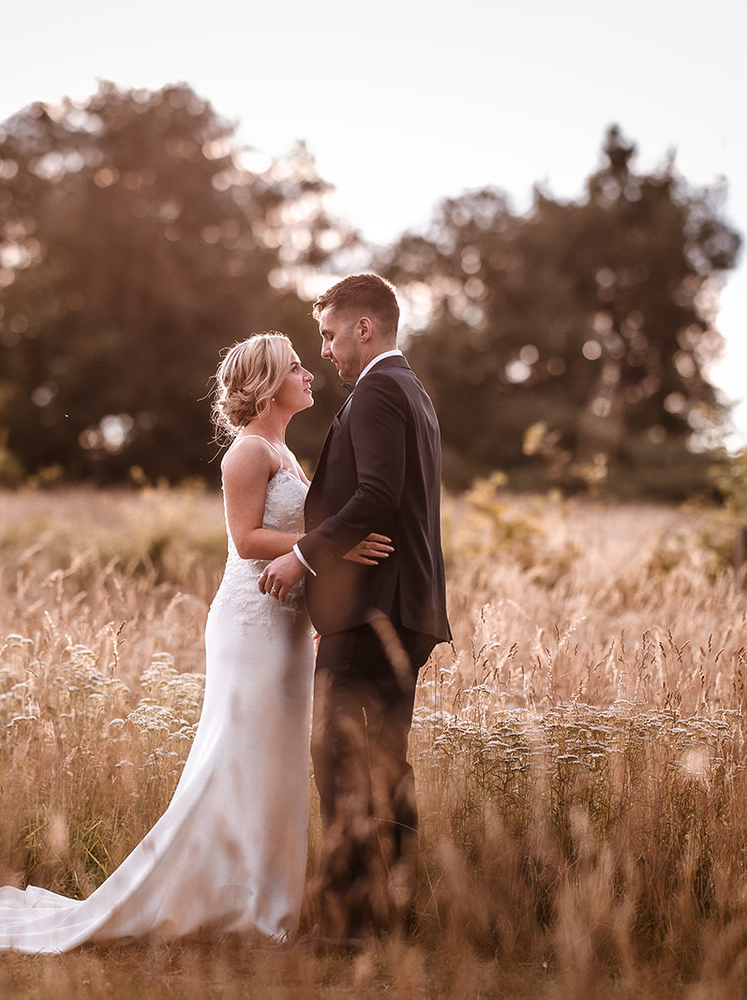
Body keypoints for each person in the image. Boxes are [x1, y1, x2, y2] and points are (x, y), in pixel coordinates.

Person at [0, 331, 391, 952]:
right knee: (238, 758)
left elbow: (294, 545)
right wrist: (331, 547)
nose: (309, 373)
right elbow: (245, 542)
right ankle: (236, 904)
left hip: (289, 624)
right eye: (297, 366)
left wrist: (319, 577)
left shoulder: (286, 454)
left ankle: (264, 901)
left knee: (277, 762)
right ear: (267, 381)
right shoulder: (247, 453)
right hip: (253, 626)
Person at [258, 273, 451, 944]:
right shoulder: (411, 392)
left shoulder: (377, 393)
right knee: (383, 763)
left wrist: (301, 557)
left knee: (341, 760)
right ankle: (389, 915)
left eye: (330, 334)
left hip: (375, 609)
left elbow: (374, 494)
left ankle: (348, 924)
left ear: (364, 327)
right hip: (403, 609)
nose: (328, 350)